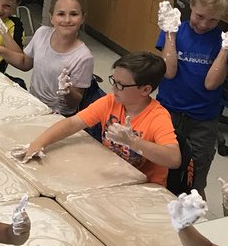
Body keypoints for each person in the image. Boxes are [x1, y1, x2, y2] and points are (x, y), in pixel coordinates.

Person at [155, 0, 228, 197]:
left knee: (196, 177)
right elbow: (169, 71)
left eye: (213, 20)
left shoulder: (223, 41)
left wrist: (226, 48)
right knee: (158, 168)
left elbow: (211, 83)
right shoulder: (174, 30)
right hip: (168, 111)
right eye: (199, 16)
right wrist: (170, 34)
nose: (203, 24)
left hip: (202, 119)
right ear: (190, 5)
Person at [21, 51, 180, 187]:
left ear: (145, 90)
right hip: (111, 173)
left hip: (143, 185)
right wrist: (39, 143)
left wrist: (133, 141)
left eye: (121, 85)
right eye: (113, 81)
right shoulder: (111, 101)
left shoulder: (158, 117)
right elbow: (72, 123)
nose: (113, 88)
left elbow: (174, 159)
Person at [0, 0, 95, 114]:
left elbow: (75, 102)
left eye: (74, 14)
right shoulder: (42, 33)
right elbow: (25, 63)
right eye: (61, 14)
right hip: (34, 104)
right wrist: (0, 50)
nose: (67, 20)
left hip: (59, 115)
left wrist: (67, 91)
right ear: (51, 17)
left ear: (83, 18)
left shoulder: (83, 57)